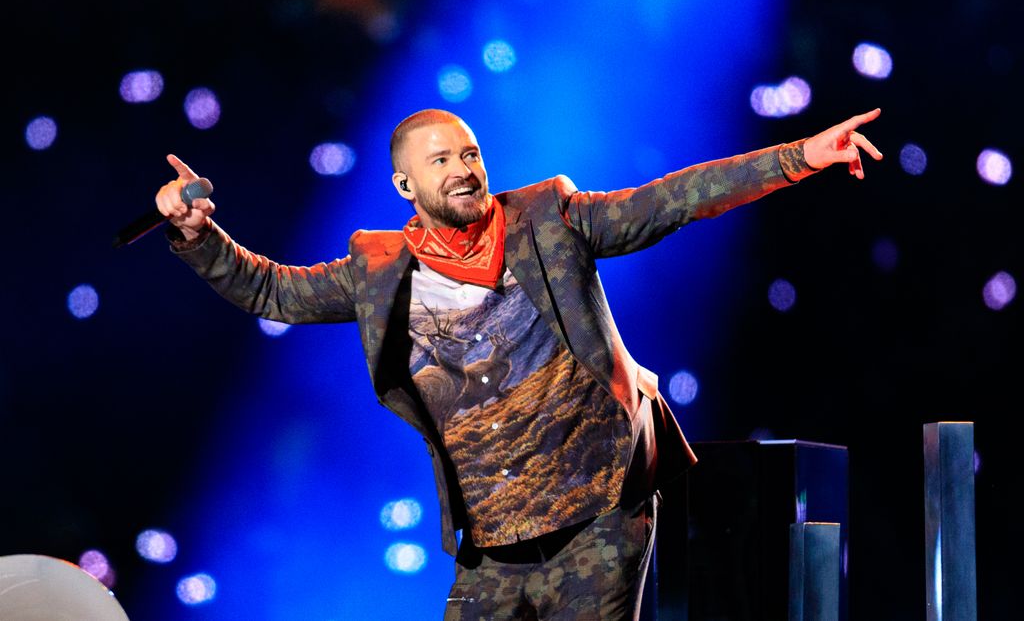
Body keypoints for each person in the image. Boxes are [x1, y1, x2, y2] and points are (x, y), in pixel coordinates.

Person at [156, 107, 882, 620]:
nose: (464, 169)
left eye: (470, 153)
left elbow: (671, 201)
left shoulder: (549, 219)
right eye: (441, 160)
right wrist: (199, 235)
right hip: (493, 543)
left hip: (598, 510)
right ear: (406, 186)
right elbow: (271, 291)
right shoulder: (379, 269)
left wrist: (798, 158)